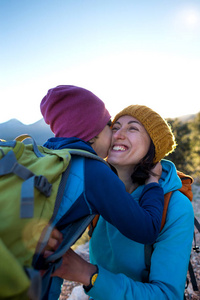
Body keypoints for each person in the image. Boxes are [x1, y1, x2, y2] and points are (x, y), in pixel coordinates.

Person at [49, 105, 194, 300]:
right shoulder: (96, 189)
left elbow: (167, 295)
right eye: (114, 127)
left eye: (132, 128)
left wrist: (87, 274)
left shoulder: (174, 206)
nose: (118, 135)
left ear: (154, 146)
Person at [40, 86, 166, 298]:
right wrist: (153, 183)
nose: (115, 134)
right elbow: (147, 230)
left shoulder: (50, 155)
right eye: (110, 124)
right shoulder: (94, 171)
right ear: (92, 131)